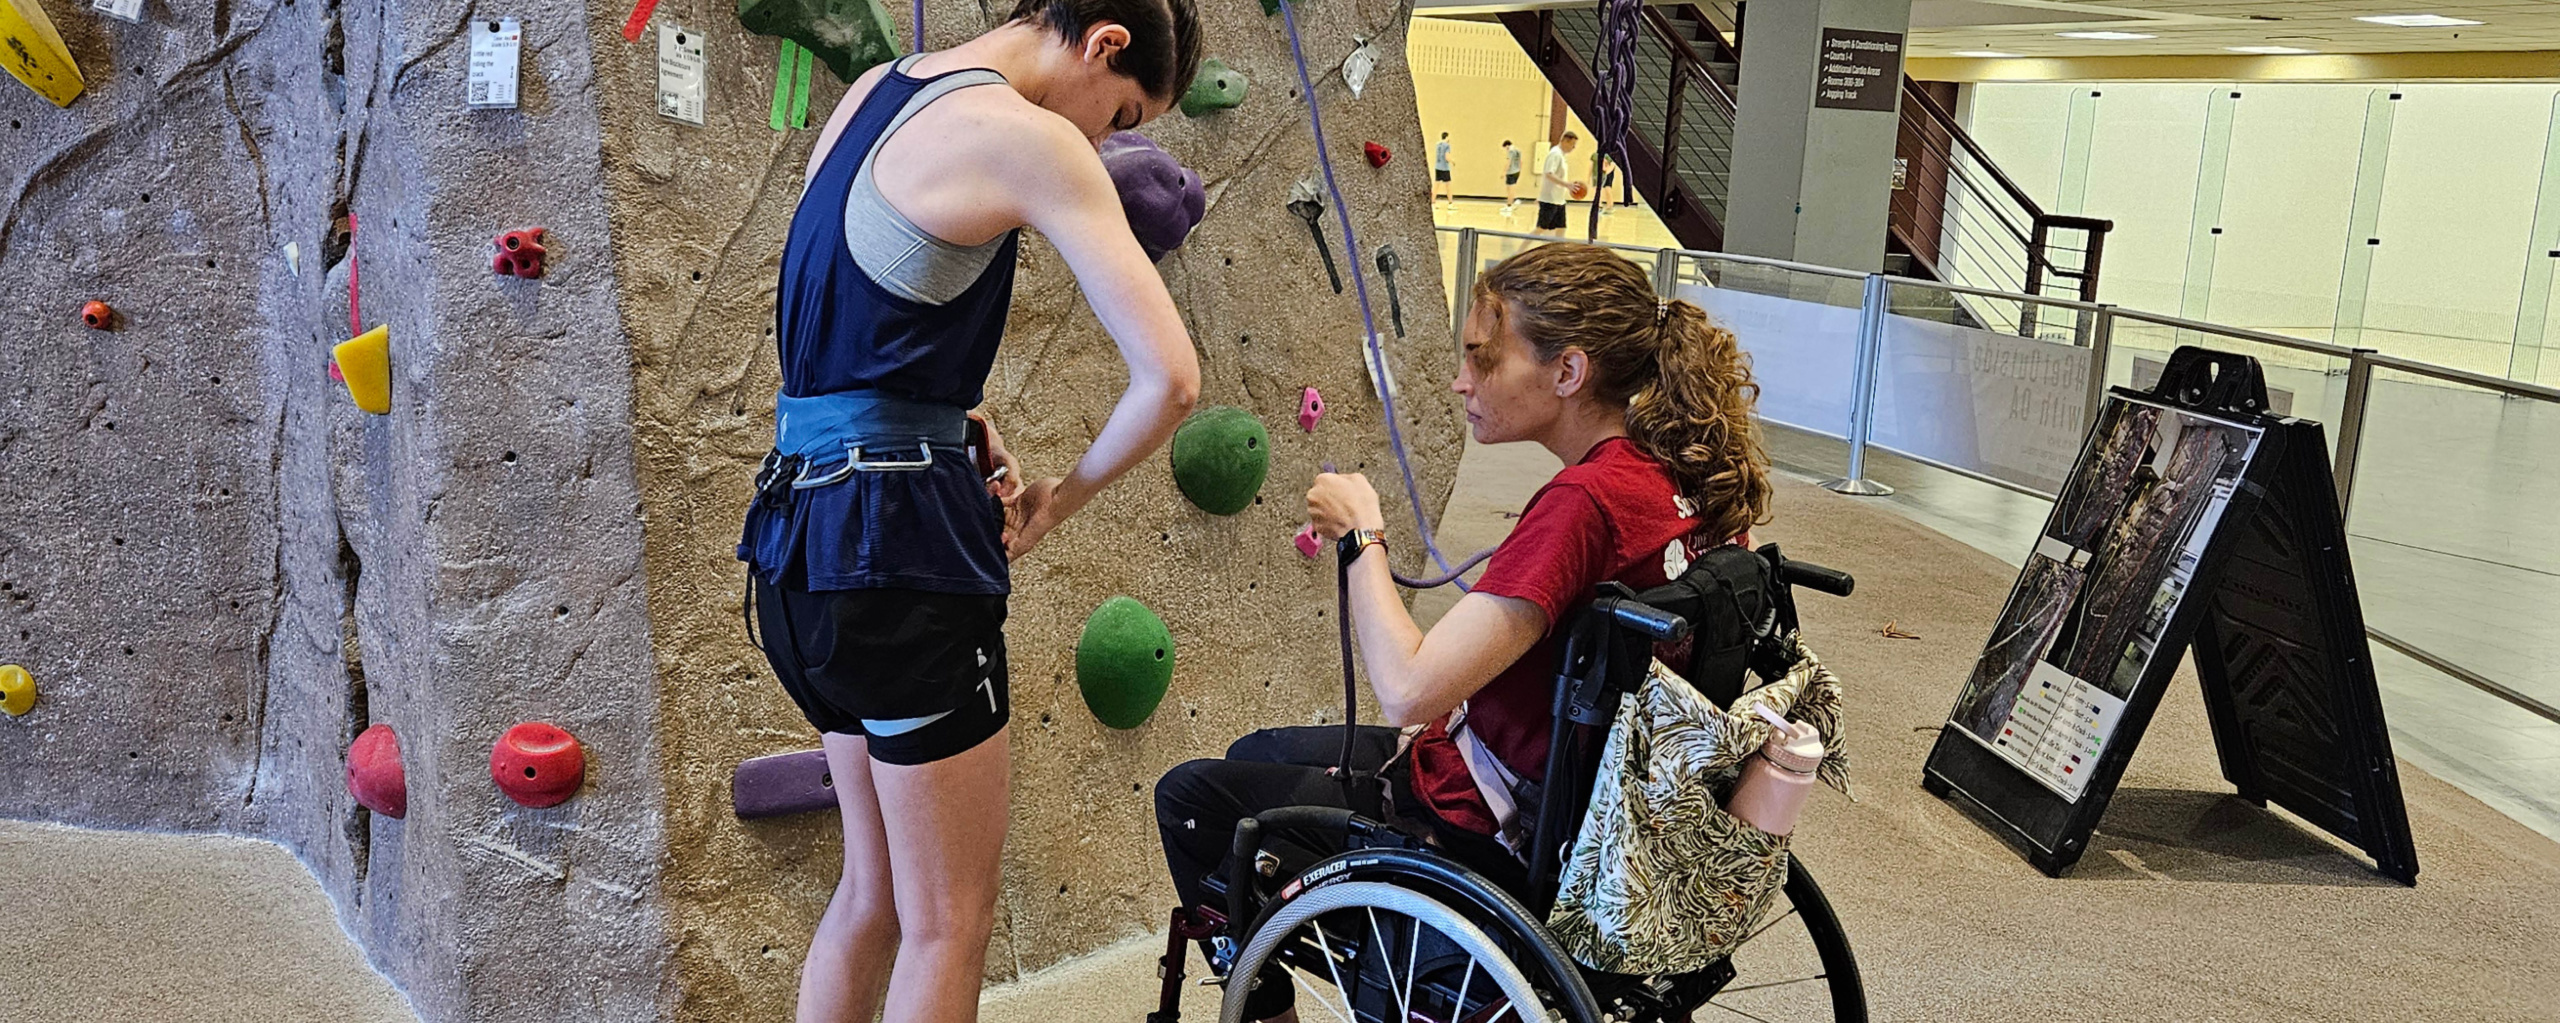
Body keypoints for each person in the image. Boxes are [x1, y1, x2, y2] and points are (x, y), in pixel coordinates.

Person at [739, 1, 1204, 1020]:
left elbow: (849, 312)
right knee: (951, 919)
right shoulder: (1035, 140)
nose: (1105, 141)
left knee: (872, 893)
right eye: (1119, 112)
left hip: (795, 551)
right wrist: (1053, 503)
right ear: (1103, 41)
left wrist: (953, 410)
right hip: (898, 558)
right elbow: (1169, 380)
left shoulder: (877, 91)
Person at [1154, 243, 1774, 982]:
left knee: (1194, 800)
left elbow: (1411, 688)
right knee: (1258, 747)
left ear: (1568, 372)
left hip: (1490, 821)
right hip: (1596, 812)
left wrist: (1362, 533)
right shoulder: (1686, 474)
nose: (1460, 381)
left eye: (1483, 359)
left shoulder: (1584, 505)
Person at [1534, 131, 1580, 236]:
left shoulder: (1562, 155)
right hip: (1550, 200)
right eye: (1573, 144)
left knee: (1561, 229)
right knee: (1540, 230)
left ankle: (1559, 252)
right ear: (1565, 141)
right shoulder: (1555, 154)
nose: (1574, 148)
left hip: (1559, 200)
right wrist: (1567, 185)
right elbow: (1549, 174)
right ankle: (1522, 250)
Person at [1433, 131, 1455, 209]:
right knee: (1448, 186)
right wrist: (1452, 161)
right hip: (1445, 168)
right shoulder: (1447, 146)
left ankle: (1433, 202)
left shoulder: (1438, 145)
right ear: (1447, 137)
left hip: (1437, 166)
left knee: (1436, 186)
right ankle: (1450, 203)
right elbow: (1447, 157)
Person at [1501, 139, 1522, 213]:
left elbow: (1508, 162)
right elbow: (1520, 161)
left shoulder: (1511, 151)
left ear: (1507, 146)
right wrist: (1519, 170)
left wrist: (1504, 172)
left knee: (1509, 189)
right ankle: (1514, 202)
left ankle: (1509, 205)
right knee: (1512, 188)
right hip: (1517, 171)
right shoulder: (1518, 150)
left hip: (1510, 172)